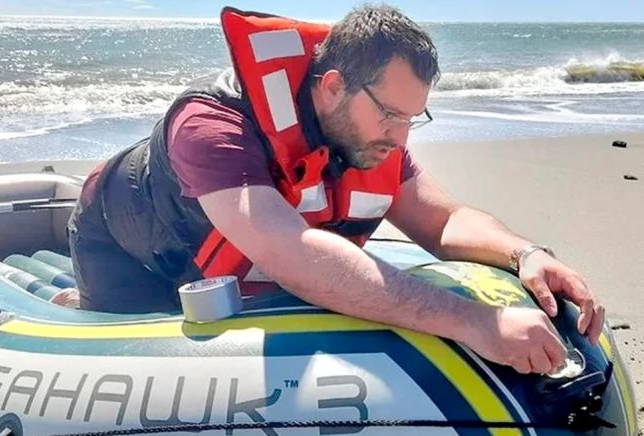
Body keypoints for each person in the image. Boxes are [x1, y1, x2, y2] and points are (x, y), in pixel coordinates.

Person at [68, 5, 604, 375]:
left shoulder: (369, 139)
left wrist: (526, 253)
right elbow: (294, 256)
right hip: (128, 249)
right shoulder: (212, 126)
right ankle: (70, 300)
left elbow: (442, 220)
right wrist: (477, 322)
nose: (400, 137)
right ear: (332, 87)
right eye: (391, 115)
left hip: (239, 262)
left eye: (413, 118)